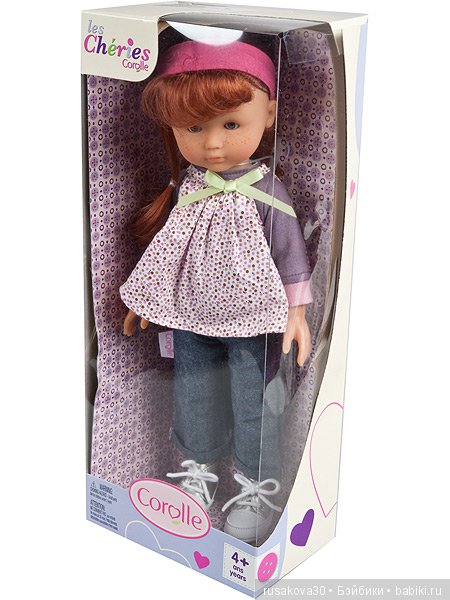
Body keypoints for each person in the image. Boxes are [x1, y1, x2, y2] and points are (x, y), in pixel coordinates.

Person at [120, 39, 313, 543]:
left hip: (255, 320)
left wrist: (296, 313)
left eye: (230, 125)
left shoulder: (266, 190)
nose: (212, 145)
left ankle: (257, 484)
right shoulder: (188, 187)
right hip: (191, 317)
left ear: (268, 115)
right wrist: (147, 299)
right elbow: (171, 247)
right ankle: (198, 471)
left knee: (255, 403)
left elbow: (290, 252)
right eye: (193, 128)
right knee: (194, 394)